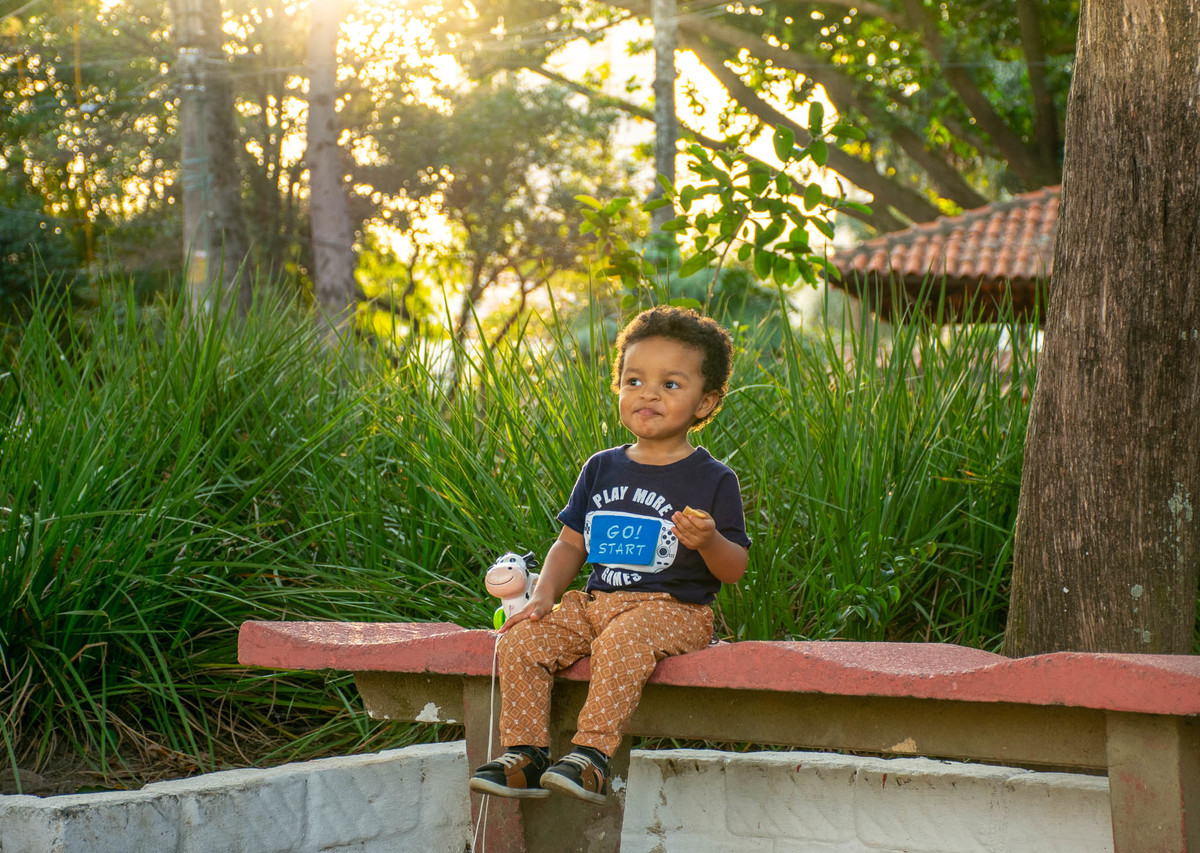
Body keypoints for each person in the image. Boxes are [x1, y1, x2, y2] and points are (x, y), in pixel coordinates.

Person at [468, 305, 751, 805]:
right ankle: (526, 756)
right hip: (596, 603)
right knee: (520, 641)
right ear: (618, 386)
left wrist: (707, 541)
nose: (648, 393)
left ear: (705, 403)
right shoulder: (601, 468)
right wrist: (546, 596)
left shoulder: (712, 479)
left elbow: (733, 569)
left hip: (674, 611)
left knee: (623, 640)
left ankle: (591, 758)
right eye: (634, 379)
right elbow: (570, 544)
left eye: (670, 385)